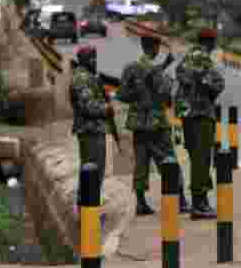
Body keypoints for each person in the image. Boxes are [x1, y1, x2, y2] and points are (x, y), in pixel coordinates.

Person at [117, 23, 189, 216]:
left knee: (141, 163)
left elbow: (122, 95)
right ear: (155, 48)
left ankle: (140, 203)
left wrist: (137, 95)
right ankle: (180, 200)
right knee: (169, 160)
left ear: (141, 46)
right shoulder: (159, 72)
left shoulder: (130, 69)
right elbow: (167, 95)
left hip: (138, 123)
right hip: (156, 123)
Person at [176, 27, 225, 220]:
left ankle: (199, 201)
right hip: (201, 113)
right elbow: (217, 84)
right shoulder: (203, 58)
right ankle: (199, 203)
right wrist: (210, 87)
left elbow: (181, 77)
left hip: (187, 114)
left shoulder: (187, 57)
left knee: (196, 157)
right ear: (210, 42)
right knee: (202, 159)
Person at [69, 46, 111, 183]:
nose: (97, 62)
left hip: (94, 130)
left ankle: (87, 203)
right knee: (93, 172)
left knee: (93, 173)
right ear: (87, 60)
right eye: (94, 59)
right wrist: (107, 109)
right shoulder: (82, 78)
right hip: (90, 131)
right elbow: (88, 106)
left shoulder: (88, 76)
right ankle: (85, 204)